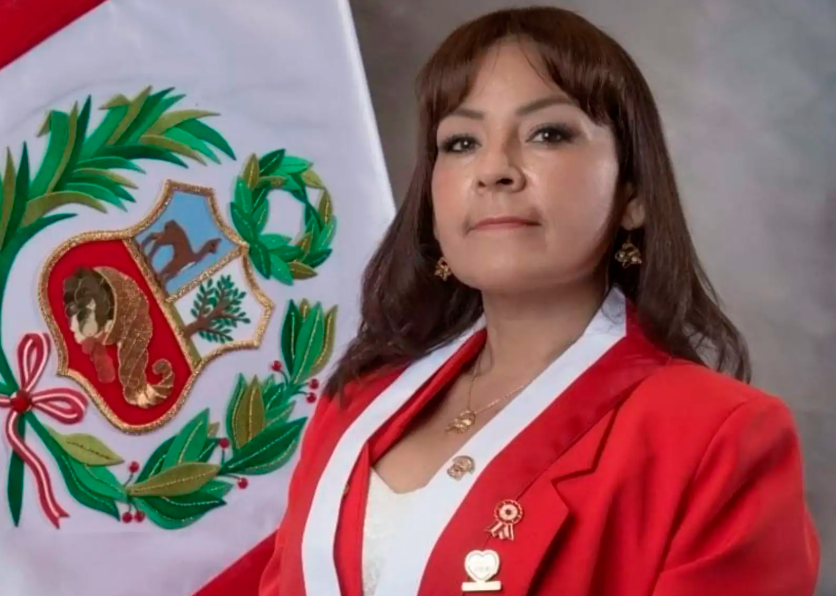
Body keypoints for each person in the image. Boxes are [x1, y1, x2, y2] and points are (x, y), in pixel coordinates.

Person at [203, 7, 820, 596]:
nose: (494, 168)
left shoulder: (717, 438)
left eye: (548, 134)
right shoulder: (357, 399)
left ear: (632, 193)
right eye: (460, 142)